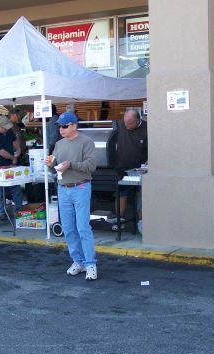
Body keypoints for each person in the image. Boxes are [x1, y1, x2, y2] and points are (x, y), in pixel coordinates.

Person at [44, 111, 98, 280]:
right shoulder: (59, 144)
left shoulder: (86, 142)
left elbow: (91, 166)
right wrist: (50, 165)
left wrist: (70, 164)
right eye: (60, 126)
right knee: (68, 228)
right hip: (64, 188)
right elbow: (55, 167)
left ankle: (90, 264)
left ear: (74, 125)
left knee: (82, 227)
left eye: (65, 126)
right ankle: (79, 261)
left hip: (80, 187)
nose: (61, 129)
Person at [108, 108, 148, 220]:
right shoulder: (120, 125)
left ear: (137, 120)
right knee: (121, 192)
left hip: (141, 169)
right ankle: (119, 218)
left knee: (142, 194)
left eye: (129, 123)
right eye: (125, 122)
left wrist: (150, 160)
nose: (126, 125)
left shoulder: (147, 128)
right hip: (122, 166)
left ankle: (141, 220)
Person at [0, 115, 23, 219]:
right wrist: (13, 157)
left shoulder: (8, 131)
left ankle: (19, 209)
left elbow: (15, 140)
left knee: (16, 187)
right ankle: (2, 212)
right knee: (0, 190)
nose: (7, 129)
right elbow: (2, 152)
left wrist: (18, 149)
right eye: (5, 127)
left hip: (10, 164)